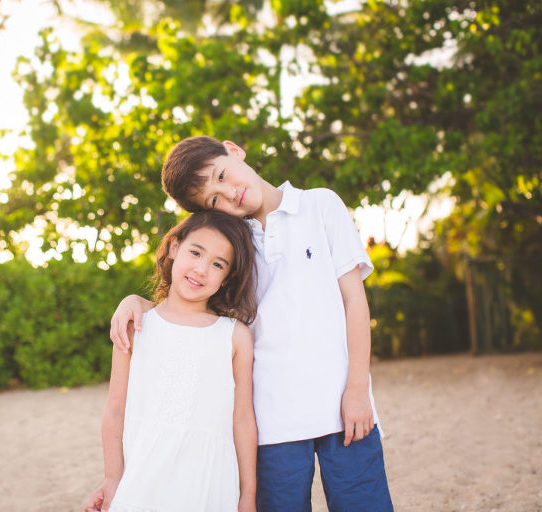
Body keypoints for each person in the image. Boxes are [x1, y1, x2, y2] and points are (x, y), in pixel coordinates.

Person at [110, 136, 394, 511]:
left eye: (223, 176)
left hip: (346, 408)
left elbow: (354, 300)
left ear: (234, 150)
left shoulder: (320, 204)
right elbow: (193, 302)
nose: (230, 194)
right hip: (272, 424)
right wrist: (139, 302)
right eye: (214, 200)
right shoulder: (232, 246)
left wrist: (357, 388)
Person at [85, 210, 259, 512]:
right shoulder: (135, 324)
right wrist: (113, 477)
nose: (201, 269)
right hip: (143, 481)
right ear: (175, 248)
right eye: (195, 252)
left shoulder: (234, 336)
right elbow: (115, 410)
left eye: (218, 264)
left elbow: (242, 419)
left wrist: (248, 495)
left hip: (209, 483)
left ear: (227, 277)